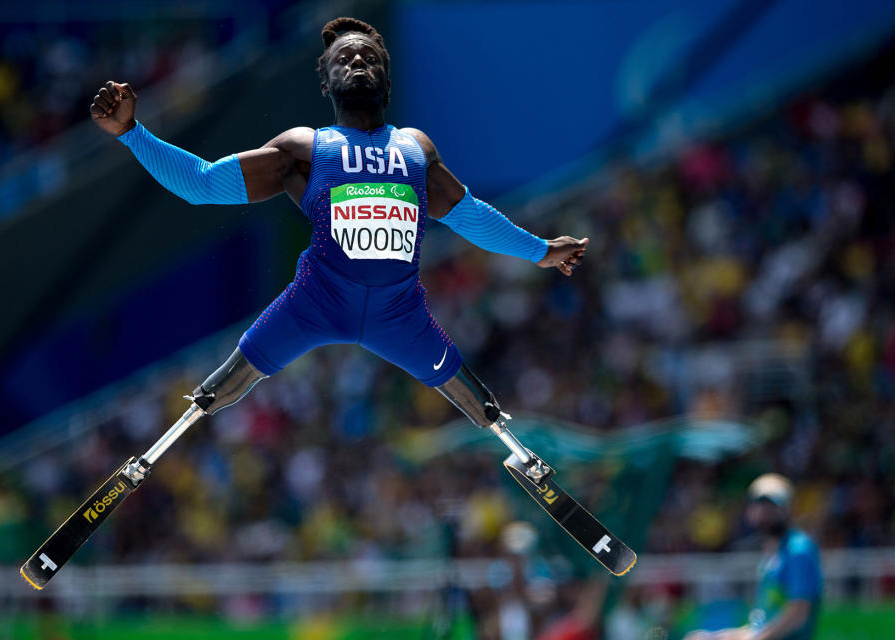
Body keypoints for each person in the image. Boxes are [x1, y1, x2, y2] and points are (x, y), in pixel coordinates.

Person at [88, 17, 587, 460]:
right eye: (343, 58)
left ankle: (513, 444)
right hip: (316, 301)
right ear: (325, 80)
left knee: (468, 391)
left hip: (400, 312)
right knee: (233, 377)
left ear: (386, 80)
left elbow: (469, 214)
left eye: (368, 57)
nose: (356, 62)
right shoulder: (305, 148)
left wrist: (540, 250)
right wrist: (133, 131)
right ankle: (173, 436)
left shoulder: (414, 148)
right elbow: (201, 184)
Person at [684, 473, 822, 640]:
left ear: (789, 508)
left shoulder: (798, 550)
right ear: (750, 512)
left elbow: (799, 613)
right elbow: (760, 627)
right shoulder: (772, 556)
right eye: (760, 505)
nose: (766, 512)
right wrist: (718, 637)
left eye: (773, 505)